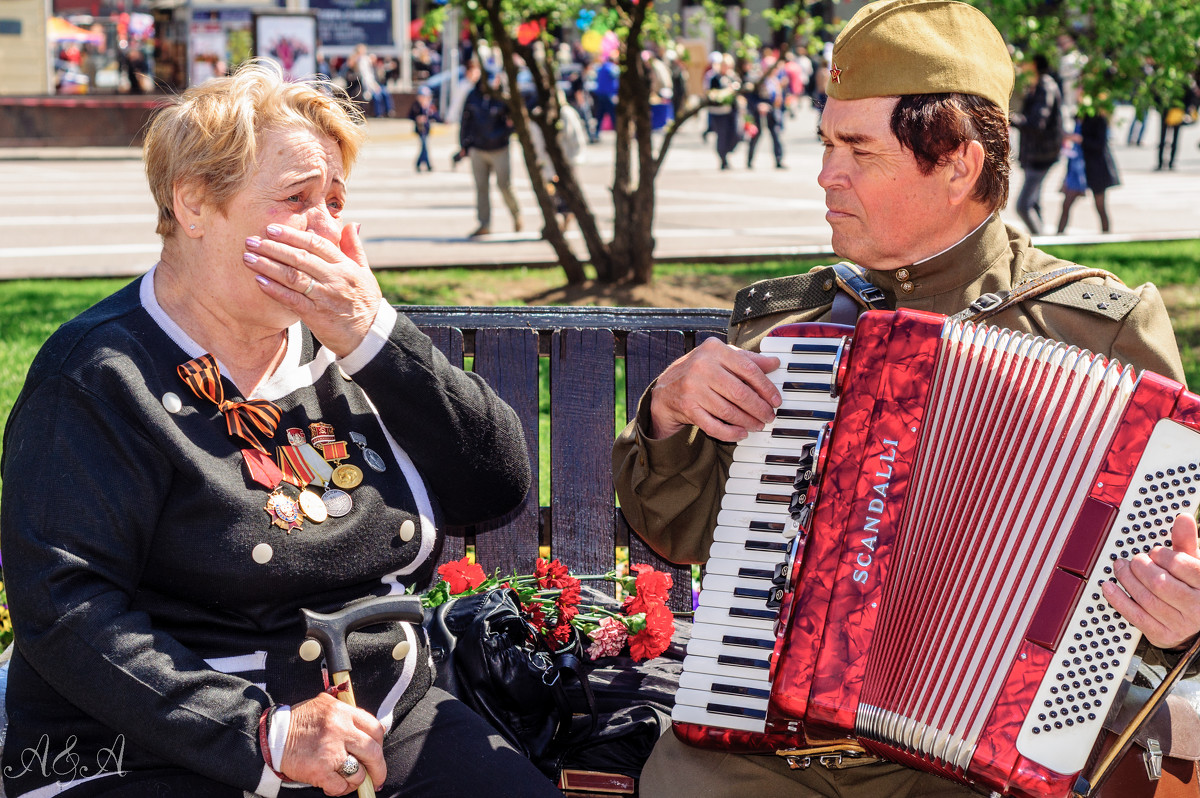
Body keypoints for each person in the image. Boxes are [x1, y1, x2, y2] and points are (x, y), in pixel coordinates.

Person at [612, 2, 1193, 797]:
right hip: (759, 746)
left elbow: (1172, 574)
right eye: (825, 142)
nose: (825, 173)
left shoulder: (1099, 332)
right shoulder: (794, 327)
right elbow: (676, 537)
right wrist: (667, 416)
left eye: (857, 149)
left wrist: (1180, 610)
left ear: (956, 161)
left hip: (982, 766)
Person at [0, 61, 563, 798]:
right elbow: (67, 608)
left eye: (335, 199)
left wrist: (374, 337)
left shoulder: (350, 349)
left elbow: (495, 484)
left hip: (385, 709)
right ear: (194, 204)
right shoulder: (99, 372)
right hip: (155, 740)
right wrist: (263, 735)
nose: (328, 228)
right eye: (298, 199)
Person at [457, 69, 522, 237]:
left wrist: (504, 134)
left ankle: (516, 214)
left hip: (499, 148)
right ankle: (484, 223)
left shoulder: (502, 97)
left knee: (504, 185)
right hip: (478, 148)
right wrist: (464, 144)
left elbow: (514, 121)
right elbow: (466, 120)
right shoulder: (473, 96)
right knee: (481, 188)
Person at [1011, 53, 1062, 235]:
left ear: (1033, 64)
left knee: (1023, 206)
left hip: (1041, 155)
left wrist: (1009, 118)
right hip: (1034, 154)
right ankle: (1044, 245)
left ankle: (1042, 241)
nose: (1020, 65)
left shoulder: (1045, 87)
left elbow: (1037, 122)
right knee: (1033, 203)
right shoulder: (1035, 85)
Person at [1057, 108, 1120, 234]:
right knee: (1066, 204)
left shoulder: (1099, 117)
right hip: (1078, 169)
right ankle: (1058, 237)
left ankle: (1107, 237)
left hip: (1096, 169)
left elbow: (1099, 144)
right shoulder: (1081, 115)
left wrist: (1080, 139)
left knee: (1100, 206)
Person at [708, 54, 741, 170]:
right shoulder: (715, 78)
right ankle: (723, 159)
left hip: (732, 110)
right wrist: (726, 92)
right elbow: (712, 93)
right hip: (720, 112)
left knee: (737, 133)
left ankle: (727, 151)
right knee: (722, 135)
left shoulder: (733, 77)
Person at [408, 85, 441, 172]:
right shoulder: (416, 106)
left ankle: (419, 163)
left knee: (424, 147)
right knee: (424, 146)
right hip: (419, 130)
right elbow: (410, 116)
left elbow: (436, 116)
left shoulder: (430, 107)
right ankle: (427, 165)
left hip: (426, 129)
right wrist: (418, 118)